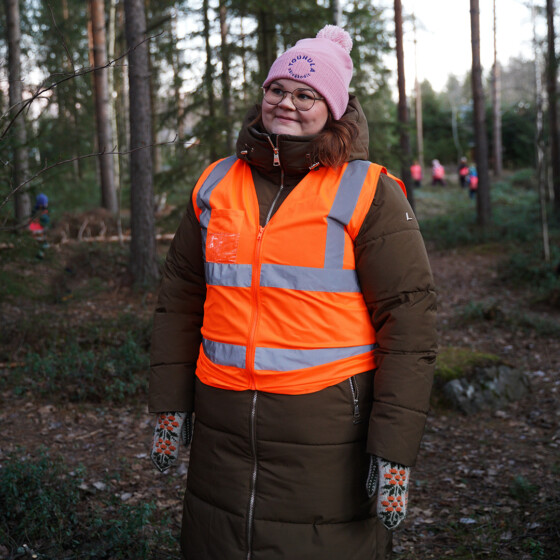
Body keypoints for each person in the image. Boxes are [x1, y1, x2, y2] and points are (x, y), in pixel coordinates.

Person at [149, 24, 437, 560]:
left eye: (306, 94)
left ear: (333, 106)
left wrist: (394, 449)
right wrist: (170, 403)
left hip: (326, 429)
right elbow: (181, 297)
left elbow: (411, 323)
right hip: (222, 422)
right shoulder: (215, 183)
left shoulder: (368, 190)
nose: (287, 103)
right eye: (277, 89)